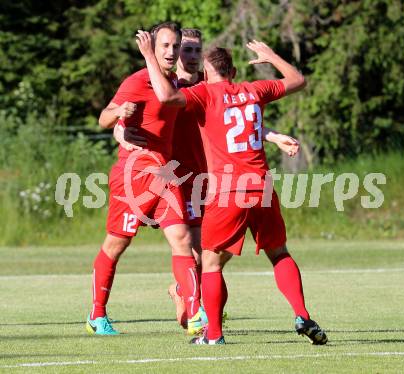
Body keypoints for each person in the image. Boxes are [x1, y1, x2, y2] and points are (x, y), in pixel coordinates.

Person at [135, 30, 328, 345]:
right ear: (234, 72)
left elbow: (167, 97)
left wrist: (147, 56)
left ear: (207, 73)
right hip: (262, 186)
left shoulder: (205, 93)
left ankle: (213, 335)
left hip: (227, 192)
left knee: (210, 263)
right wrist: (271, 57)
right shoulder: (254, 90)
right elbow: (297, 80)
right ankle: (302, 314)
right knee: (279, 253)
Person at [86, 22, 206, 336]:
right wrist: (118, 117)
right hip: (133, 177)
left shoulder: (175, 84)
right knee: (116, 245)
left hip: (165, 175)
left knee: (182, 240)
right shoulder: (137, 81)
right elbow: (103, 118)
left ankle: (195, 314)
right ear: (151, 48)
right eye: (164, 45)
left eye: (174, 46)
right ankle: (96, 315)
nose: (171, 52)